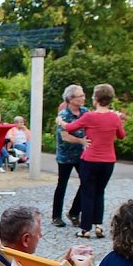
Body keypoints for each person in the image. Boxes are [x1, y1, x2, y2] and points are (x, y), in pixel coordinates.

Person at [58, 84, 126, 239]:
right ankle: (99, 226)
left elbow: (70, 127)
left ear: (96, 99)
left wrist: (60, 121)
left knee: (87, 193)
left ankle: (85, 229)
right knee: (100, 192)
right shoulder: (114, 117)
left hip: (90, 160)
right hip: (108, 161)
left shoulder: (89, 116)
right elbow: (121, 135)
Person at [52, 85, 87, 228]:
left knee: (86, 182)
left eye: (83, 95)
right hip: (65, 155)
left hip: (82, 155)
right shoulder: (63, 115)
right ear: (70, 99)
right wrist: (81, 141)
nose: (83, 98)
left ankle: (74, 212)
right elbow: (65, 136)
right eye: (80, 96)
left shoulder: (85, 112)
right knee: (62, 184)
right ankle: (56, 216)